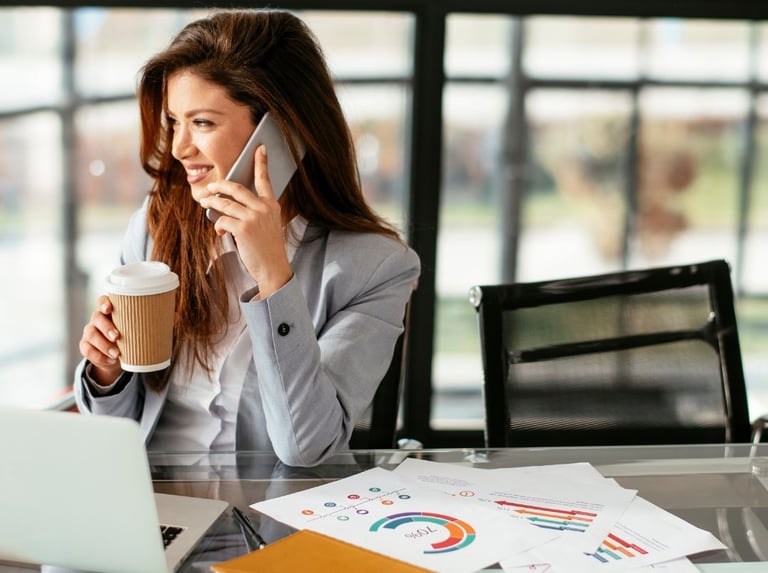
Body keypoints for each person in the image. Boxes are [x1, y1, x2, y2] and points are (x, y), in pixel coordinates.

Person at [74, 8, 420, 467]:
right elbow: (113, 432)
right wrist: (107, 372)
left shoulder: (375, 268)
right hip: (154, 497)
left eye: (202, 123)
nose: (178, 148)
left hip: (273, 505)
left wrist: (274, 279)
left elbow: (306, 447)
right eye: (174, 121)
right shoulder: (156, 227)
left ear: (279, 131)